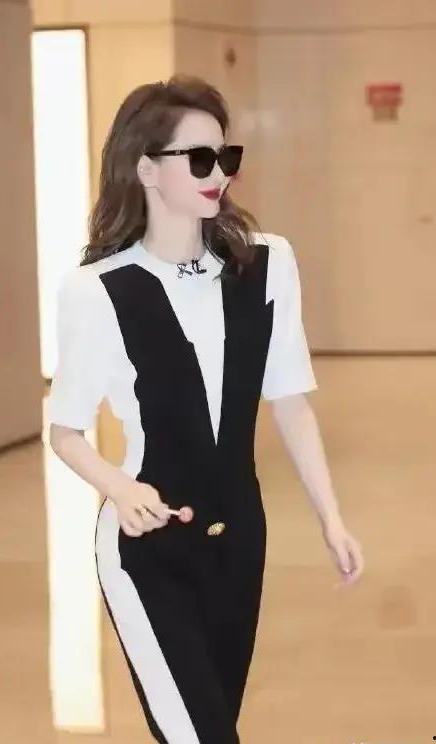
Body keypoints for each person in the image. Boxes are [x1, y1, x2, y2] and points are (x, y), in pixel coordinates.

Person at [47, 75, 364, 744]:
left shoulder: (267, 263)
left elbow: (291, 402)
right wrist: (119, 487)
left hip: (241, 541)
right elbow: (65, 431)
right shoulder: (97, 290)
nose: (218, 174)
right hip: (146, 550)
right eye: (198, 159)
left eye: (225, 157)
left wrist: (331, 518)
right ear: (145, 169)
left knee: (210, 725)